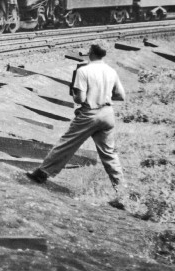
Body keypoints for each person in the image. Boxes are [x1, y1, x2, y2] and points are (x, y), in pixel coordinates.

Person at [26, 41, 128, 208]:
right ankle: (122, 194)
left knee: (67, 143)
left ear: (91, 52)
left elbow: (79, 99)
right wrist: (104, 97)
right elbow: (121, 96)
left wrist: (79, 95)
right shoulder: (111, 71)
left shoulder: (83, 70)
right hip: (108, 114)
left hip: (89, 113)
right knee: (109, 154)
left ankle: (42, 173)